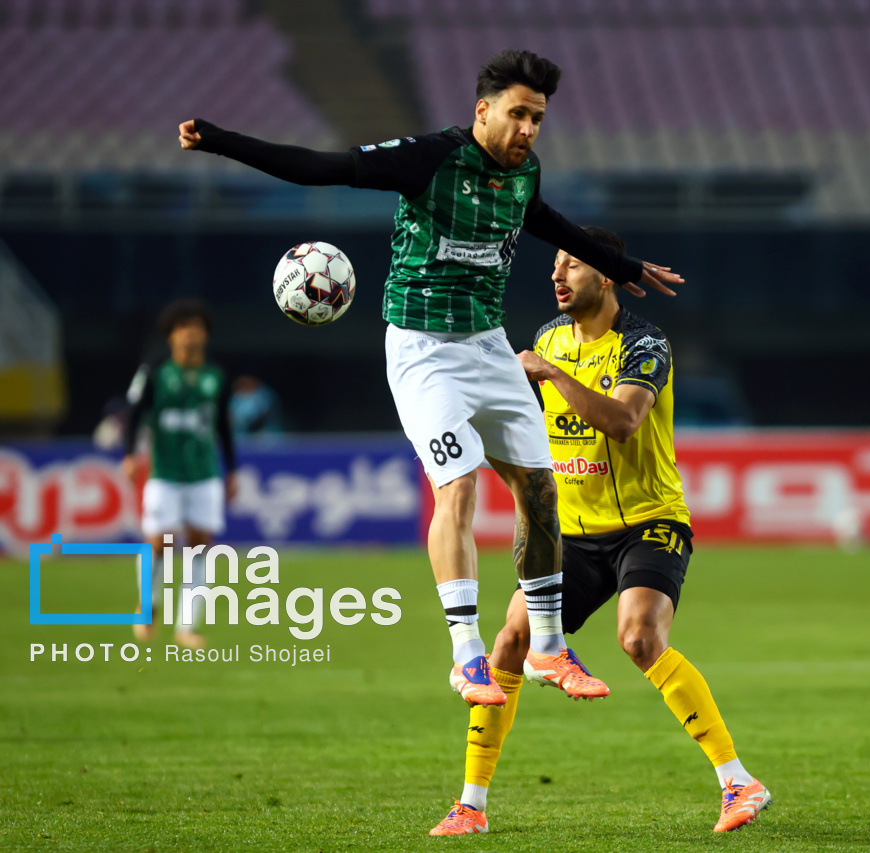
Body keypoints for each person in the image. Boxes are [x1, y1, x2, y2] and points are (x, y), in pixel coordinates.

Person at [177, 50, 682, 706]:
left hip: (488, 344)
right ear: (483, 110)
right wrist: (221, 141)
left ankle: (549, 648)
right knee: (459, 485)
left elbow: (545, 220)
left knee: (539, 490)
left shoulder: (522, 172)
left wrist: (625, 264)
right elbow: (321, 168)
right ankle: (467, 655)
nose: (528, 129)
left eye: (537, 118)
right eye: (518, 114)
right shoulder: (429, 159)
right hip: (424, 349)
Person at [429, 227, 770, 837]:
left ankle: (739, 781)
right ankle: (471, 805)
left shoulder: (644, 343)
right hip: (575, 534)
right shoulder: (549, 337)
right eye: (555, 265)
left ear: (606, 275)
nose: (557, 275)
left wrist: (552, 374)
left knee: (639, 638)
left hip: (649, 521)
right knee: (509, 640)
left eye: (572, 265)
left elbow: (624, 421)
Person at [121, 299, 237, 649]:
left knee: (200, 545)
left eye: (197, 327)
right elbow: (133, 414)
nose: (190, 334)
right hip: (164, 472)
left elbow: (223, 426)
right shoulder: (155, 371)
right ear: (171, 335)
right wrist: (130, 454)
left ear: (206, 334)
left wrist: (232, 470)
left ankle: (186, 626)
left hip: (204, 472)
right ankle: (148, 605)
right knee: (160, 541)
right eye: (183, 327)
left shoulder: (216, 376)